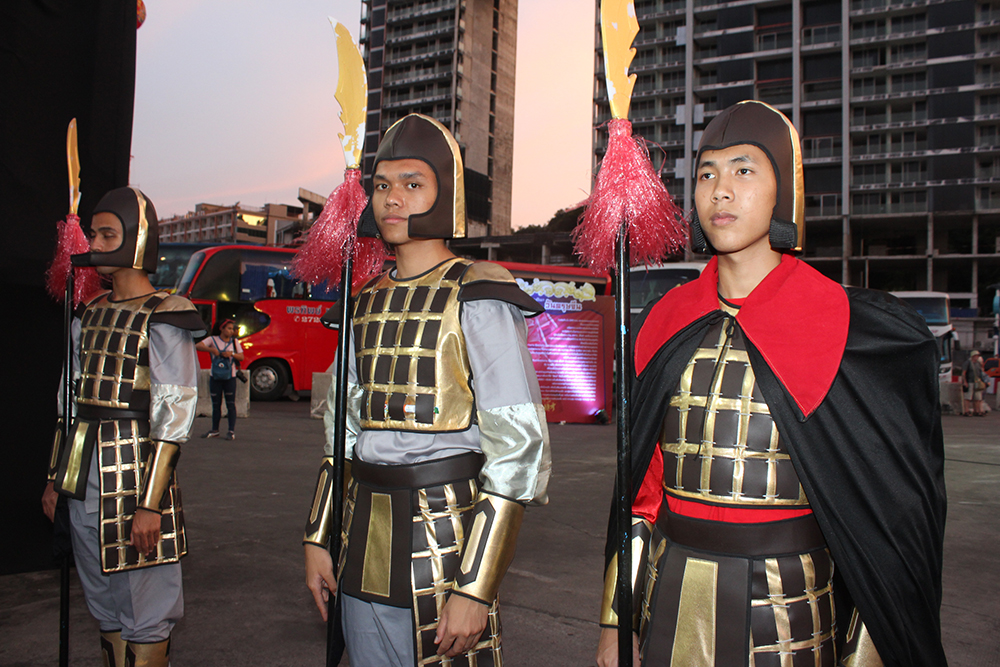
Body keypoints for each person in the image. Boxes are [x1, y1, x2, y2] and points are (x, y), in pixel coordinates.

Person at [595, 101, 947, 667]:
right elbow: (642, 494)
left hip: (791, 610)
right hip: (671, 598)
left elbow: (892, 526)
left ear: (783, 190)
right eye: (707, 173)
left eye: (744, 170)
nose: (720, 190)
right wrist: (617, 619)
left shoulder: (849, 329)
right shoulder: (665, 319)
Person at [303, 113, 551, 667]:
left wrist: (475, 587)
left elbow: (519, 448)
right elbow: (340, 431)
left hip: (445, 532)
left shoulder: (481, 292)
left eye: (413, 184)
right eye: (383, 185)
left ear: (446, 193)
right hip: (360, 526)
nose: (393, 199)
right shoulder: (361, 300)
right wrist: (319, 536)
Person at [41, 187, 204, 667]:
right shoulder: (88, 315)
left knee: (145, 612)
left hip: (135, 478)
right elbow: (68, 403)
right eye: (93, 232)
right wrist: (56, 478)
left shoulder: (166, 315)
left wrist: (150, 505)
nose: (93, 242)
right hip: (82, 475)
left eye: (106, 233)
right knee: (105, 608)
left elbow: (174, 416)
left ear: (135, 241)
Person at [196, 318, 244, 439]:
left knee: (231, 404)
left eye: (232, 329)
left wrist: (231, 354)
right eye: (228, 328)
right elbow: (198, 345)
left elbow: (241, 356)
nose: (231, 331)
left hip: (230, 378)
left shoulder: (234, 342)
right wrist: (211, 350)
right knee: (216, 404)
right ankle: (214, 430)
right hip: (215, 377)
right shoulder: (213, 340)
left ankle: (231, 431)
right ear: (221, 329)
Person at [962, 351, 988, 416]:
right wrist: (965, 382)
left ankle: (977, 411)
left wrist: (983, 382)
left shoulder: (978, 364)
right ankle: (966, 411)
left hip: (977, 382)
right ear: (973, 356)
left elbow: (981, 373)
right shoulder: (968, 363)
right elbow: (963, 373)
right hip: (970, 382)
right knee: (968, 397)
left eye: (978, 356)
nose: (977, 357)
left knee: (978, 398)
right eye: (976, 356)